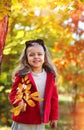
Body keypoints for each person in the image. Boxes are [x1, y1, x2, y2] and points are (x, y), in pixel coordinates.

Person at [9, 39, 59, 130]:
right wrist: (18, 103)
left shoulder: (50, 76)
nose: (36, 57)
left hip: (39, 119)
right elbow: (13, 94)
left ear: (45, 57)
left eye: (39, 54)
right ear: (26, 58)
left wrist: (54, 117)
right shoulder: (22, 75)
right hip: (23, 119)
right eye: (31, 55)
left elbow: (53, 99)